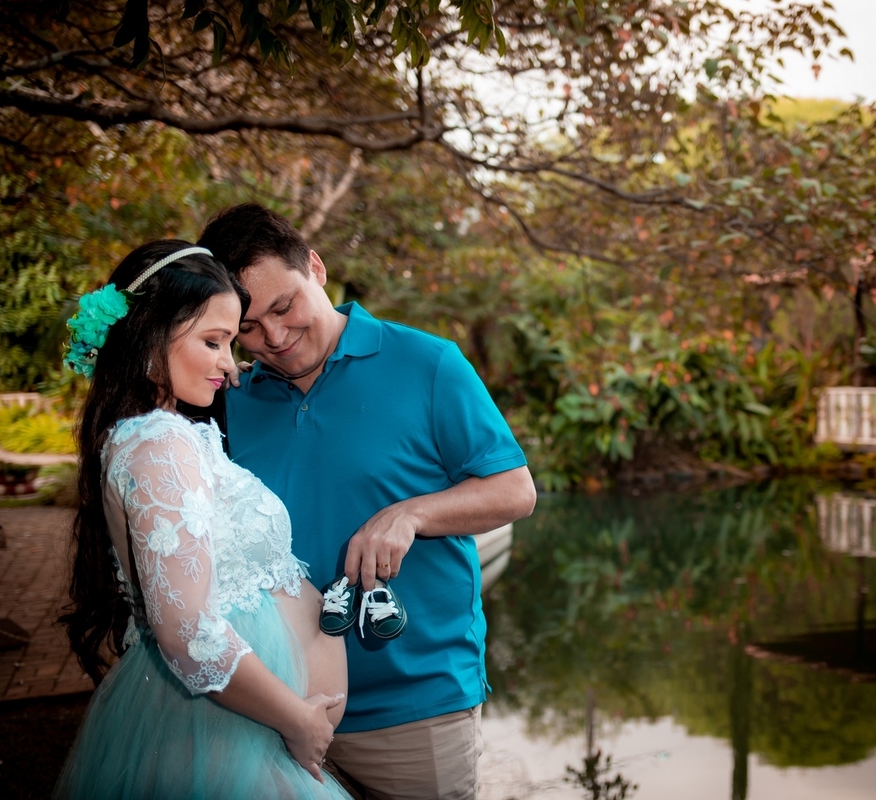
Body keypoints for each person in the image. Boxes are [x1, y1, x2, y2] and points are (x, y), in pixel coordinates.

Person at [198, 205, 537, 800]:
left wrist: (411, 513)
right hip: (279, 709)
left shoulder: (429, 364)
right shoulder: (230, 400)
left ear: (317, 268)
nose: (274, 338)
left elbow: (515, 491)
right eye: (248, 327)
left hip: (414, 710)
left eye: (284, 307)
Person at [55, 241, 353, 799]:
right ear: (147, 335)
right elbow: (188, 632)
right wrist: (298, 719)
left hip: (236, 730)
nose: (227, 362)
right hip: (234, 732)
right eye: (213, 342)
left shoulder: (156, 431)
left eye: (230, 342)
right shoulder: (159, 443)